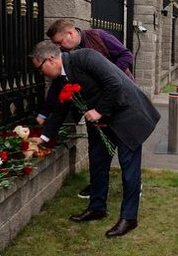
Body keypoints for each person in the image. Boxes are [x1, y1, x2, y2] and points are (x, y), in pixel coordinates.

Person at [30, 42, 161, 238]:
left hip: (126, 115)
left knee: (129, 169)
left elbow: (114, 83)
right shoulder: (61, 78)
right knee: (98, 163)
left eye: (40, 68)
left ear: (49, 60)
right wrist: (43, 137)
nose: (42, 73)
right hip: (101, 122)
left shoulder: (86, 57)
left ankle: (129, 217)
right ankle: (97, 208)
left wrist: (98, 111)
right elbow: (60, 110)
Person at [45, 19, 135, 200]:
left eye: (59, 42)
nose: (59, 47)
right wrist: (44, 113)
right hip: (93, 105)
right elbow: (59, 85)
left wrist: (109, 74)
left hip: (117, 98)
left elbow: (126, 55)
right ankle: (97, 187)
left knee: (126, 149)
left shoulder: (99, 36)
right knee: (99, 150)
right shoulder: (65, 54)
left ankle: (132, 185)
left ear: (70, 34)